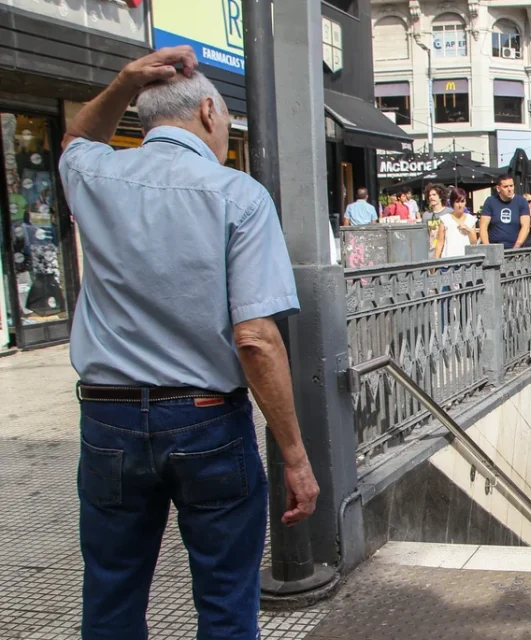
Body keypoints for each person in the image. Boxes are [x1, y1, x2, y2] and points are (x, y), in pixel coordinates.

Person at [57, 47, 320, 638]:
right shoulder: (238, 196)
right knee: (226, 603)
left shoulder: (93, 174)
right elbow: (255, 338)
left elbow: (76, 134)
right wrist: (295, 458)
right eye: (226, 122)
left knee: (110, 596)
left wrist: (125, 80)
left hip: (108, 420)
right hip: (206, 421)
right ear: (208, 111)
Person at [480, 174, 531, 249]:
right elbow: (483, 227)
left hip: (515, 248)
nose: (510, 189)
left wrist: (516, 247)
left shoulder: (521, 202)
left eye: (511, 185)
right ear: (498, 188)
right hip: (494, 248)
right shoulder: (490, 201)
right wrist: (488, 248)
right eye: (505, 187)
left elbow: (525, 226)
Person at [435, 187, 478, 258]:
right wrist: (434, 264)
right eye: (457, 202)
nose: (460, 205)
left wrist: (469, 230)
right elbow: (439, 243)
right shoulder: (445, 219)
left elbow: (474, 243)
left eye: (462, 201)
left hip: (466, 261)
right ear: (452, 203)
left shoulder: (471, 219)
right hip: (448, 261)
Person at [422, 183, 451, 253]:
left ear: (441, 196)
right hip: (431, 252)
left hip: (447, 252)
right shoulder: (426, 215)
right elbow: (424, 236)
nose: (431, 197)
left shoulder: (449, 212)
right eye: (429, 195)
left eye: (434, 195)